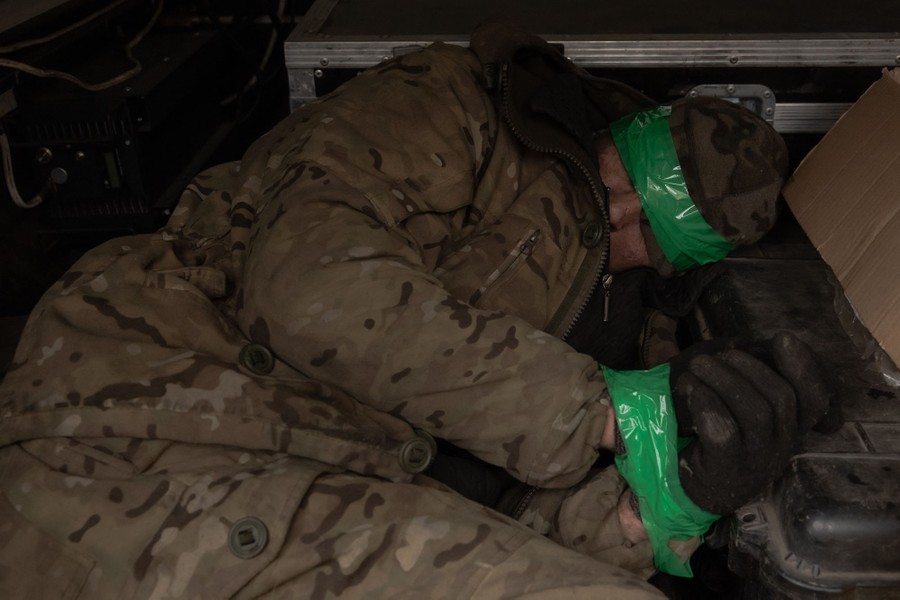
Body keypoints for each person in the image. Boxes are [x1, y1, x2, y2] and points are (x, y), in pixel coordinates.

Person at [0, 20, 829, 598]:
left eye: (648, 235)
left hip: (343, 503)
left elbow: (528, 532)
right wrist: (599, 413)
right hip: (151, 414)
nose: (617, 222)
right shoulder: (463, 104)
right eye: (621, 185)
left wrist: (663, 504)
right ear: (617, 128)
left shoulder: (639, 343)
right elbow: (309, 286)